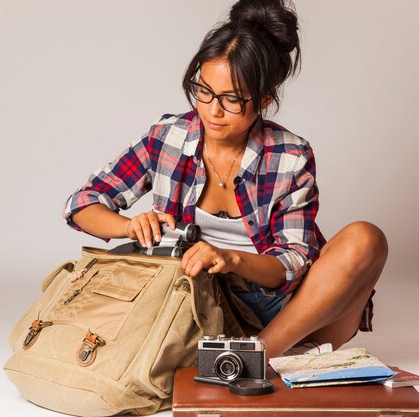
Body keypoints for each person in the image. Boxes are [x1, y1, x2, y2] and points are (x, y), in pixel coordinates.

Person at [64, 0, 387, 359]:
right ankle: (242, 358)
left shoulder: (290, 156)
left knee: (366, 238)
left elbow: (292, 262)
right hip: (193, 305)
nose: (212, 111)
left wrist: (232, 259)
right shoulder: (168, 137)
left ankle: (254, 356)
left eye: (232, 100)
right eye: (203, 91)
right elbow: (82, 203)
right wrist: (131, 226)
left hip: (284, 314)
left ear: (263, 99)